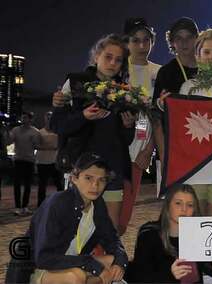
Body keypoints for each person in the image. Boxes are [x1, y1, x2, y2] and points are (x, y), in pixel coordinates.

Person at [51, 34, 136, 229]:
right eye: (108, 56)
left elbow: (126, 140)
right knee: (77, 229)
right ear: (96, 55)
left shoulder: (124, 92)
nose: (112, 63)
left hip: (112, 170)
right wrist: (83, 116)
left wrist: (128, 126)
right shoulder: (74, 82)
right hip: (82, 168)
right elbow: (57, 124)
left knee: (112, 230)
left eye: (118, 60)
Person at [27, 152, 128, 284]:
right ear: (74, 178)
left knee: (111, 261)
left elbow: (112, 240)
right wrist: (90, 264)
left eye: (101, 180)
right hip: (41, 268)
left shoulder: (97, 205)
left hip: (74, 262)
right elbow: (44, 258)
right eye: (88, 178)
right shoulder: (57, 203)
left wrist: (120, 262)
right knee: (76, 276)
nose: (95, 186)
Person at [176, 28, 212, 216]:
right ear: (198, 55)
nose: (211, 57)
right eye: (206, 52)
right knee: (193, 226)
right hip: (195, 170)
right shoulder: (187, 88)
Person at [119, 17, 162, 235]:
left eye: (147, 40)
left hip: (138, 154)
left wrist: (148, 150)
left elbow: (159, 118)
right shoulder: (116, 67)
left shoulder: (159, 72)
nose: (142, 46)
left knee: (124, 211)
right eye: (136, 40)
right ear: (126, 42)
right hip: (113, 150)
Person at [126, 184, 212, 283]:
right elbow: (139, 276)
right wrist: (169, 274)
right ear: (168, 205)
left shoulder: (200, 234)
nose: (184, 209)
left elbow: (211, 269)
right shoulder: (149, 234)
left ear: (194, 210)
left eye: (190, 205)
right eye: (178, 203)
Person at [152, 17, 199, 169]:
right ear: (172, 42)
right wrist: (164, 155)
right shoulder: (166, 73)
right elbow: (156, 119)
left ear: (197, 39)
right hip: (176, 149)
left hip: (205, 144)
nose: (184, 43)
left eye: (189, 37)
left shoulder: (208, 68)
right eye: (179, 38)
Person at [9, 111, 41, 215]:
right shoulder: (15, 130)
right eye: (22, 118)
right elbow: (9, 141)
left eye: (26, 118)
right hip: (18, 159)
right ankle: (18, 207)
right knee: (17, 184)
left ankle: (25, 206)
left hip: (29, 160)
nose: (23, 120)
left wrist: (34, 141)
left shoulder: (35, 131)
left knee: (28, 185)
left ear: (30, 120)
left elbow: (37, 145)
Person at [35, 111, 63, 207]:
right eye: (47, 117)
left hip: (54, 161)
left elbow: (60, 145)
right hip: (42, 162)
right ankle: (40, 205)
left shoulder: (58, 131)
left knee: (59, 184)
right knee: (42, 185)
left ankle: (62, 203)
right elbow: (36, 145)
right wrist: (50, 147)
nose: (49, 119)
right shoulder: (40, 132)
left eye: (50, 117)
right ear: (44, 119)